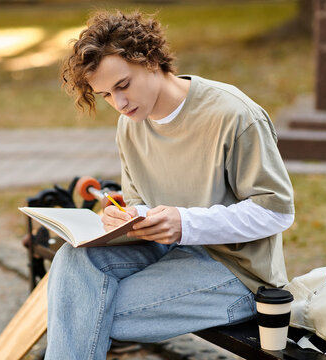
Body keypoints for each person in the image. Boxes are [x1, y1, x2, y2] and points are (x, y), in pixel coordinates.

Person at [46, 10, 295, 360]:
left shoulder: (233, 115)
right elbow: (141, 202)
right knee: (73, 261)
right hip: (167, 249)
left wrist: (186, 223)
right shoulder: (130, 125)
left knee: (81, 310)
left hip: (237, 272)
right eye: (104, 95)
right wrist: (127, 216)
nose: (119, 104)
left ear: (150, 60)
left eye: (123, 85)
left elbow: (277, 212)